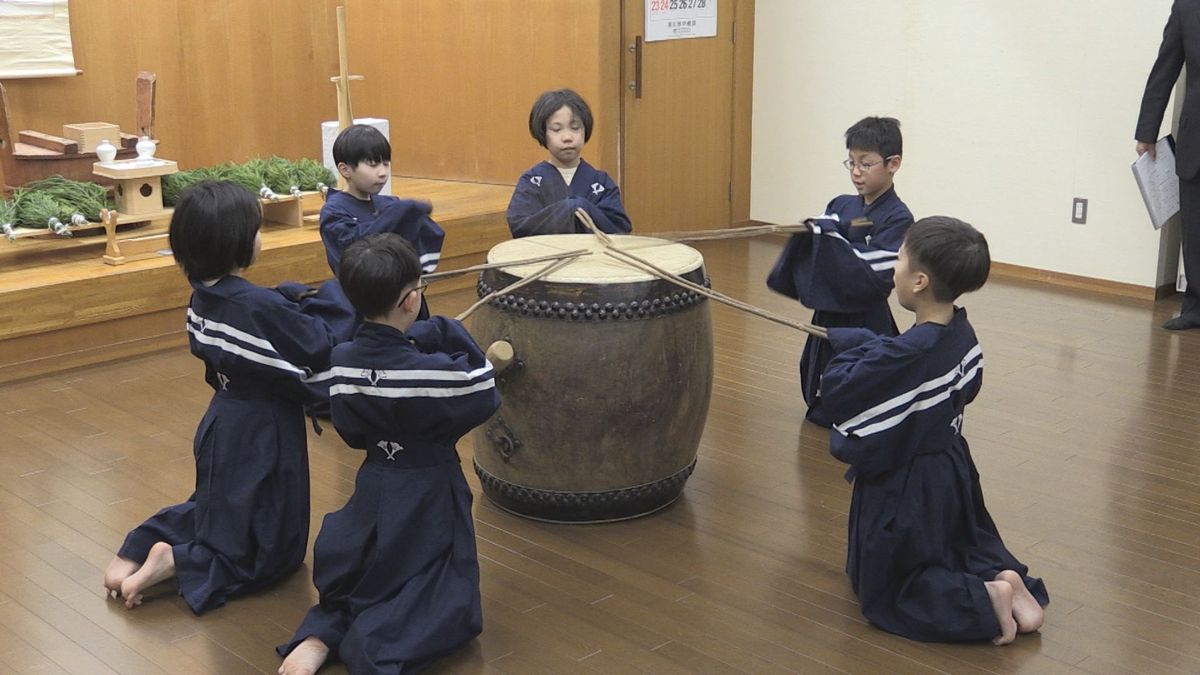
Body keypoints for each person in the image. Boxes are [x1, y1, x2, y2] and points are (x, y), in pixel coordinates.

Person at [103, 181, 356, 613]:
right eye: (255, 230)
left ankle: (136, 548)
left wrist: (285, 299)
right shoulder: (261, 307)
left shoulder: (203, 295)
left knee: (220, 505)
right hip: (266, 432)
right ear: (238, 242)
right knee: (275, 547)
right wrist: (343, 297)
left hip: (223, 420)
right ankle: (177, 561)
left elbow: (251, 333)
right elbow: (318, 351)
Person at [277, 233, 500, 674]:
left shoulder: (341, 359)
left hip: (375, 483)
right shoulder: (432, 370)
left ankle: (325, 633)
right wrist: (446, 329)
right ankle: (369, 641)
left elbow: (352, 431)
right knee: (440, 593)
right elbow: (483, 389)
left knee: (364, 571)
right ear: (411, 300)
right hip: (430, 489)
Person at [820, 216, 1048, 645]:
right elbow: (935, 373)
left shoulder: (904, 355)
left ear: (920, 281)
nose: (894, 267)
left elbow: (839, 392)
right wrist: (868, 345)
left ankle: (987, 598)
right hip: (951, 472)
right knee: (954, 548)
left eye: (901, 259)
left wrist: (858, 351)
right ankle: (1006, 581)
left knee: (889, 592)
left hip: (904, 489)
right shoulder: (960, 331)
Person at [767, 116, 914, 426]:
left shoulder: (898, 217)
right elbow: (819, 250)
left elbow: (876, 273)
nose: (857, 172)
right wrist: (817, 232)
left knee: (866, 378)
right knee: (820, 369)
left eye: (866, 163)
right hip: (829, 309)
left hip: (866, 315)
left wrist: (832, 238)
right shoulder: (841, 204)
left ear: (893, 163)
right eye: (851, 163)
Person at [321, 123, 445, 318]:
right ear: (345, 170)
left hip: (405, 302)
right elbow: (356, 251)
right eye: (373, 164)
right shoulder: (334, 211)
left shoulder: (389, 204)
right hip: (364, 309)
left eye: (386, 163)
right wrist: (398, 214)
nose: (382, 172)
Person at [1137, 1, 1200, 330]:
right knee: (1194, 228)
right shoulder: (1187, 7)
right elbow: (1164, 69)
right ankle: (1195, 306)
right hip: (1196, 137)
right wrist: (1147, 131)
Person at [506, 88, 633, 237]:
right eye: (556, 129)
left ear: (585, 130)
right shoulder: (532, 181)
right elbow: (520, 226)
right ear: (543, 133)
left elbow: (620, 228)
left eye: (575, 128)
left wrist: (580, 207)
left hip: (594, 258)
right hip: (547, 258)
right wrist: (568, 209)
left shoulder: (601, 182)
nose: (567, 137)